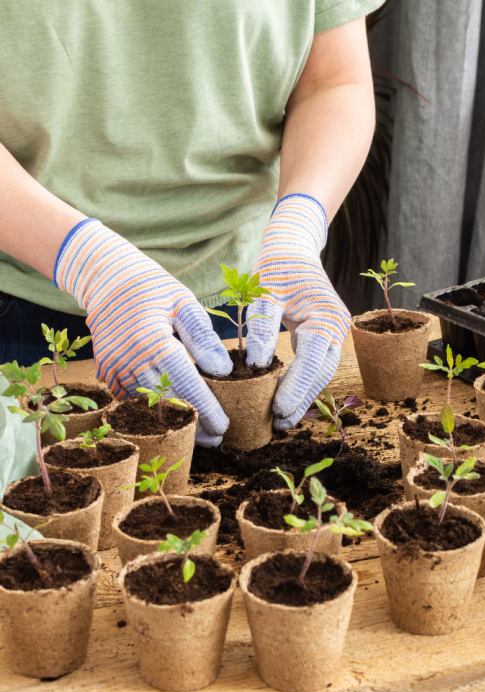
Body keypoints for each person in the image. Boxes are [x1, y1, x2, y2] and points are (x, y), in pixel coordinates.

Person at [0, 2, 379, 447]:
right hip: (29, 315)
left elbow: (331, 80)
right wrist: (92, 265)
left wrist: (299, 226)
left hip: (248, 308)